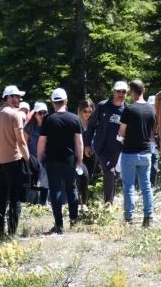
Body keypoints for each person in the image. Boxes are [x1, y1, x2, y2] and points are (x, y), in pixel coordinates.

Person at [37, 88, 84, 234]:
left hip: (52, 160)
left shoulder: (48, 119)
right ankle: (74, 221)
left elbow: (42, 141)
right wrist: (80, 159)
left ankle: (58, 225)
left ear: (53, 103)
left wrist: (39, 158)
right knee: (71, 189)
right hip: (69, 160)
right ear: (66, 101)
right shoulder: (74, 118)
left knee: (55, 190)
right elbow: (79, 141)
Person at [0, 85, 31, 240]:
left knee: (0, 198)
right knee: (15, 199)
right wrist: (28, 160)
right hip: (14, 160)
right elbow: (20, 141)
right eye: (17, 97)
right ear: (9, 97)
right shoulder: (15, 115)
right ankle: (12, 233)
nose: (19, 99)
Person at [117, 79, 156, 226]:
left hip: (129, 152)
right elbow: (152, 133)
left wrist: (120, 139)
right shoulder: (152, 109)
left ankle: (129, 217)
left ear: (132, 92)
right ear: (144, 90)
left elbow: (121, 132)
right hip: (145, 152)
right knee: (146, 186)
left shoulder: (129, 109)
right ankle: (148, 216)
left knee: (129, 187)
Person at [84, 81, 128, 204]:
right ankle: (108, 203)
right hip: (101, 146)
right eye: (118, 91)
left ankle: (109, 201)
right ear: (113, 92)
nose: (120, 94)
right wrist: (87, 144)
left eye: (123, 91)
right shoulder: (103, 106)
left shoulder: (127, 110)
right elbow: (91, 125)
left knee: (113, 175)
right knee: (110, 170)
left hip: (118, 148)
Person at [24, 102, 50, 205]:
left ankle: (44, 203)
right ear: (35, 114)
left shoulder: (49, 126)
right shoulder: (29, 127)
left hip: (45, 159)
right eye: (40, 113)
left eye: (45, 113)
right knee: (33, 182)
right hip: (32, 160)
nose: (42, 115)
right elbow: (24, 144)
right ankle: (31, 204)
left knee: (45, 183)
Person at [76, 98, 97, 207]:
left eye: (90, 111)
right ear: (80, 110)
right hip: (78, 154)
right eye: (85, 111)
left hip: (91, 154)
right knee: (81, 177)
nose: (87, 114)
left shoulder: (94, 123)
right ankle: (81, 201)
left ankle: (88, 201)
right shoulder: (76, 122)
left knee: (90, 177)